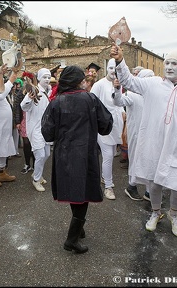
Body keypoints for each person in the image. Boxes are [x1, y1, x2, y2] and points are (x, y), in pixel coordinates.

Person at [110, 44, 177, 237]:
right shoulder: (152, 84)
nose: (170, 67)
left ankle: (174, 215)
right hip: (154, 144)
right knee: (154, 184)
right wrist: (120, 60)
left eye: (175, 63)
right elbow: (127, 81)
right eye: (167, 63)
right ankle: (156, 213)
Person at [41, 65, 113, 253]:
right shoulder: (90, 99)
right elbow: (106, 125)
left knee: (75, 191)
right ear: (77, 80)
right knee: (82, 192)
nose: (84, 80)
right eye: (82, 78)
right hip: (85, 153)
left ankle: (78, 229)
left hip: (64, 154)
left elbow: (47, 133)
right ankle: (71, 239)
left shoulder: (56, 102)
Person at [112, 69, 154, 201]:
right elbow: (118, 102)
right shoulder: (132, 94)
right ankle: (131, 186)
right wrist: (118, 90)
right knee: (135, 159)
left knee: (149, 160)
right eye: (148, 78)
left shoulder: (154, 96)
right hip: (136, 133)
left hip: (150, 133)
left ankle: (149, 191)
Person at [90, 58, 124, 200]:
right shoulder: (99, 85)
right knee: (108, 156)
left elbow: (119, 101)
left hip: (116, 125)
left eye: (115, 69)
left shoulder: (118, 84)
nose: (113, 72)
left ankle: (105, 177)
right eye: (111, 68)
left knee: (110, 154)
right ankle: (108, 187)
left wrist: (123, 110)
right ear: (106, 69)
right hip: (103, 127)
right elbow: (90, 102)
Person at [20, 68, 52, 192]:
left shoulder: (48, 92)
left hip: (45, 129)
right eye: (44, 77)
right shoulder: (34, 91)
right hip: (35, 129)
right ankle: (36, 179)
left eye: (49, 77)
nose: (47, 79)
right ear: (38, 78)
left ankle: (38, 174)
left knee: (47, 154)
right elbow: (23, 106)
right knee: (40, 154)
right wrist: (29, 98)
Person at [13, 78, 35, 174]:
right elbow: (17, 107)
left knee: (35, 142)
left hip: (34, 120)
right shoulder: (21, 93)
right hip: (24, 119)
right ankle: (27, 164)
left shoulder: (37, 91)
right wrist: (17, 121)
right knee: (26, 143)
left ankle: (35, 164)